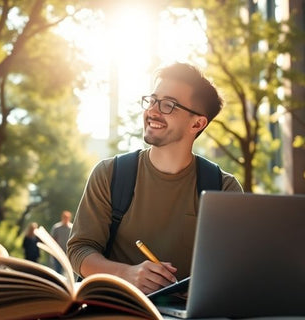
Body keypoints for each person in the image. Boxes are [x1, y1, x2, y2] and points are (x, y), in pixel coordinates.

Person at [67, 62, 243, 294]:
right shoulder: (110, 174)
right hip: (118, 310)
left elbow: (235, 269)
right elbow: (79, 250)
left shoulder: (223, 189)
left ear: (197, 123)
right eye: (152, 101)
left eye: (168, 105)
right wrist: (126, 274)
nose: (153, 111)